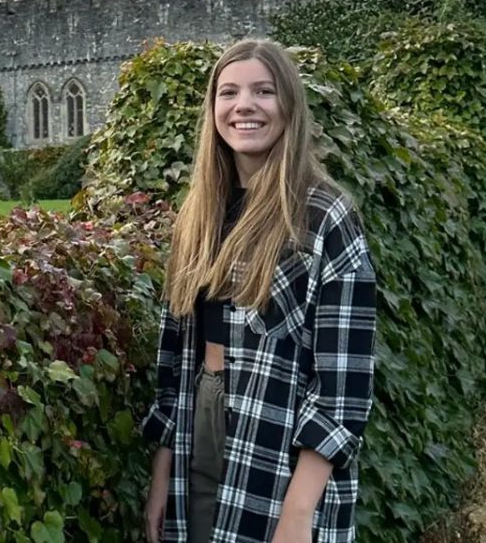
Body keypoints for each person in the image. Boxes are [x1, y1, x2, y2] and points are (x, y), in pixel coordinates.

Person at [141, 38, 377, 543]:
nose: (244, 105)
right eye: (228, 93)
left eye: (263, 91)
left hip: (280, 444)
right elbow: (173, 360)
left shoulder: (324, 216)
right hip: (199, 419)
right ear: (213, 109)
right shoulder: (198, 215)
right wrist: (163, 470)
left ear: (289, 104)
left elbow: (343, 384)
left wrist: (299, 513)